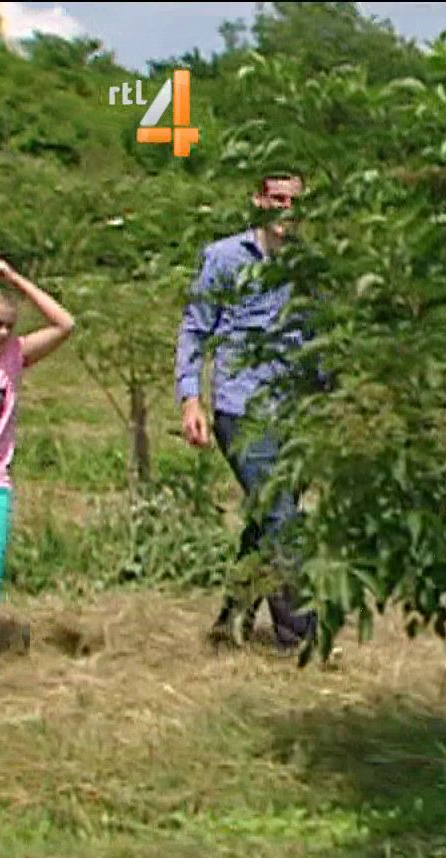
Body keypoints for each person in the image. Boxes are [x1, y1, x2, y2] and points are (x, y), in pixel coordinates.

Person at [175, 172, 318, 654]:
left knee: (267, 519)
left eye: (294, 201)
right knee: (283, 520)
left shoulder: (309, 266)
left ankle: (230, 621)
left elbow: (318, 339)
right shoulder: (224, 257)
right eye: (276, 199)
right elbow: (195, 329)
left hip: (296, 411)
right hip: (241, 407)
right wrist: (190, 399)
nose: (285, 209)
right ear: (258, 200)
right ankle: (301, 638)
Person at [0, 259, 75, 679]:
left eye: (9, 325)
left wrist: (15, 280)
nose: (3, 333)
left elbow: (65, 324)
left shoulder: (13, 356)